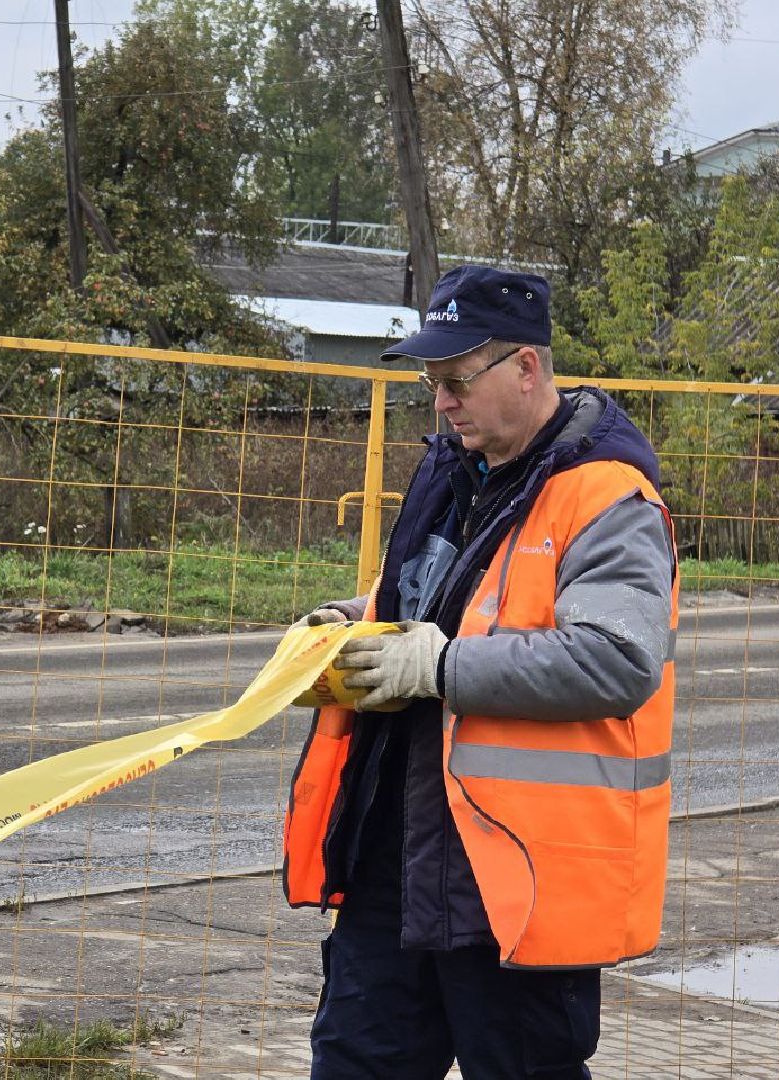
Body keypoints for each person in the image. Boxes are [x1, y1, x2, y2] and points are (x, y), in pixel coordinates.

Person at [282, 265, 678, 1079]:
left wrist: (438, 665)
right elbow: (450, 598)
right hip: (397, 860)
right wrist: (355, 624)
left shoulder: (607, 497)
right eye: (433, 382)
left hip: (516, 882)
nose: (441, 400)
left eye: (457, 380)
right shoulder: (456, 472)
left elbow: (616, 657)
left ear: (526, 368)